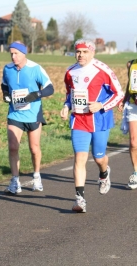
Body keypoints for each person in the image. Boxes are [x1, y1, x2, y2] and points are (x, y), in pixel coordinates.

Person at [60, 39, 124, 213]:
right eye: (78, 51)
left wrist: (101, 105)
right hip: (79, 121)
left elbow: (119, 94)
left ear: (92, 52)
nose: (80, 55)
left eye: (84, 52)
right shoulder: (70, 72)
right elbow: (69, 95)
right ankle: (80, 200)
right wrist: (66, 106)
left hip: (99, 121)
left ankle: (104, 172)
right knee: (79, 158)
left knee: (98, 158)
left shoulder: (103, 70)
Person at [1, 41, 54, 194]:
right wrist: (5, 95)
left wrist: (37, 94)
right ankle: (15, 181)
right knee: (13, 146)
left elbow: (50, 88)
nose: (13, 56)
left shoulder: (35, 68)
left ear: (24, 53)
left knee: (34, 148)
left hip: (33, 113)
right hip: (15, 113)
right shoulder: (8, 68)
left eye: (16, 53)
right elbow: (4, 84)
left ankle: (36, 177)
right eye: (11, 53)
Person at [118, 59, 137, 189]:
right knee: (133, 142)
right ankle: (136, 173)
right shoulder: (131, 64)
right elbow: (130, 84)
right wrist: (124, 100)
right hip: (133, 105)